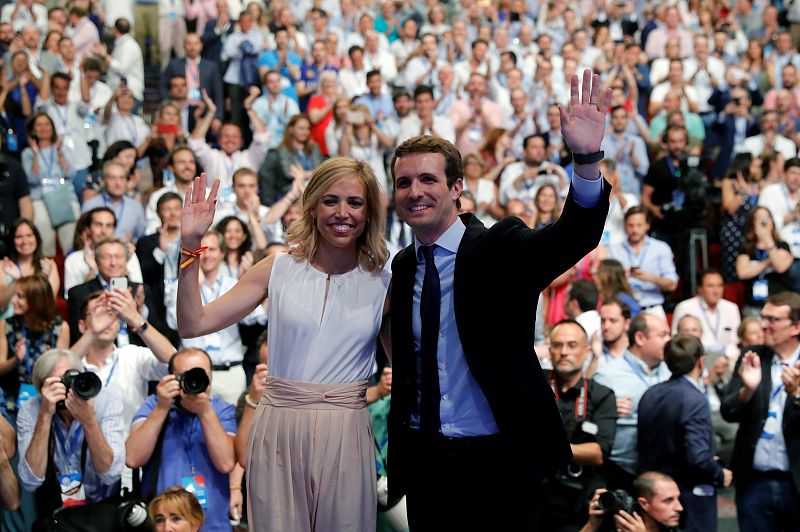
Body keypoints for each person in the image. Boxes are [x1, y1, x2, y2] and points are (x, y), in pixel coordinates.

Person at [386, 70, 612, 529]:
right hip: (427, 464)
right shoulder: (402, 266)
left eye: (427, 179)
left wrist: (586, 160)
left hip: (500, 461)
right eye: (403, 182)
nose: (415, 192)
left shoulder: (501, 246)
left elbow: (575, 234)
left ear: (457, 188)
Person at [176, 157, 391, 531]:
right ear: (311, 206)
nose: (342, 213)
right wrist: (191, 246)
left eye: (354, 202)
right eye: (330, 200)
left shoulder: (385, 283)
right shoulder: (276, 268)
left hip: (346, 430)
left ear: (370, 210)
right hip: (278, 425)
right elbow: (193, 322)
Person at [126, 348, 236, 531]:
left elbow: (226, 463)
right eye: (186, 376)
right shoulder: (155, 405)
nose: (195, 382)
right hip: (165, 526)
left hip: (214, 525)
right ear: (171, 378)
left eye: (202, 375)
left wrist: (205, 411)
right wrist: (162, 408)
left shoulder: (222, 410)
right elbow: (133, 458)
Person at [721, 291, 800, 531]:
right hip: (754, 480)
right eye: (763, 317)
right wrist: (747, 389)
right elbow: (729, 411)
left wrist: (797, 395)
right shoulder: (752, 356)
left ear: (796, 326)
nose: (763, 325)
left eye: (773, 320)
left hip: (796, 481)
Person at [638, 334, 733, 531]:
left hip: (656, 494)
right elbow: (697, 456)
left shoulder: (650, 393)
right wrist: (719, 473)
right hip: (690, 494)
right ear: (701, 362)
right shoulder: (694, 399)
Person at [16, 349, 124, 516]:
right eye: (58, 383)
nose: (67, 388)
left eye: (71, 379)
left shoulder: (106, 402)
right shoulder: (31, 409)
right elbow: (30, 481)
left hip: (101, 512)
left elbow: (111, 475)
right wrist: (45, 415)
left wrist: (89, 421)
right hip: (54, 513)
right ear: (41, 387)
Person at [540, 320, 617, 531]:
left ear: (587, 351)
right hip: (536, 496)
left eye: (572, 345)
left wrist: (547, 448)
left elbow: (599, 453)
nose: (564, 352)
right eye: (557, 345)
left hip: (578, 500)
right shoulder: (536, 385)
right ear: (549, 350)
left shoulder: (601, 395)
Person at [594, 313, 672, 492]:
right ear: (640, 338)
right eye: (662, 335)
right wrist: (608, 410)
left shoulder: (670, 372)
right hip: (621, 472)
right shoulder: (607, 376)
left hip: (663, 472)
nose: (669, 341)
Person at [0, 275, 70, 409]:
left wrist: (51, 363)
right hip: (12, 398)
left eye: (20, 297)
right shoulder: (6, 325)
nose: (13, 301)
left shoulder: (60, 328)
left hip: (46, 398)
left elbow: (63, 374)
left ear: (36, 300)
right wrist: (15, 359)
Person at [608, 206, 678, 319]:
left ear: (647, 225)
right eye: (630, 225)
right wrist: (621, 276)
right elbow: (606, 283)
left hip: (652, 308)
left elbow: (672, 285)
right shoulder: (613, 250)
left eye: (639, 225)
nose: (634, 230)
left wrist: (650, 278)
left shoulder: (661, 248)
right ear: (625, 226)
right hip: (623, 309)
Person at [735, 206, 795, 317]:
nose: (765, 221)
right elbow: (742, 273)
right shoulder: (747, 248)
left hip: (778, 304)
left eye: (768, 217)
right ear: (753, 224)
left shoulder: (782, 245)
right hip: (753, 305)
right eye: (760, 218)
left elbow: (780, 267)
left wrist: (768, 241)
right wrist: (767, 262)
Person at [671, 269, 742, 359]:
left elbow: (735, 340)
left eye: (720, 286)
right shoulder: (685, 308)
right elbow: (676, 339)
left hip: (726, 359)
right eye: (710, 286)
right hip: (694, 358)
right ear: (700, 288)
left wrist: (725, 357)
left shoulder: (731, 308)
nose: (716, 291)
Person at [581, 471, 684, 532]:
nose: (679, 508)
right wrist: (592, 525)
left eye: (677, 499)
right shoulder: (612, 524)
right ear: (644, 504)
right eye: (668, 500)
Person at [2, 218, 59, 298]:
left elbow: (50, 301)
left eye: (29, 235)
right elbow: (2, 303)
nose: (25, 241)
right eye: (19, 237)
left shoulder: (49, 265)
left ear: (37, 238)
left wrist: (43, 279)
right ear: (12, 241)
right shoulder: (3, 266)